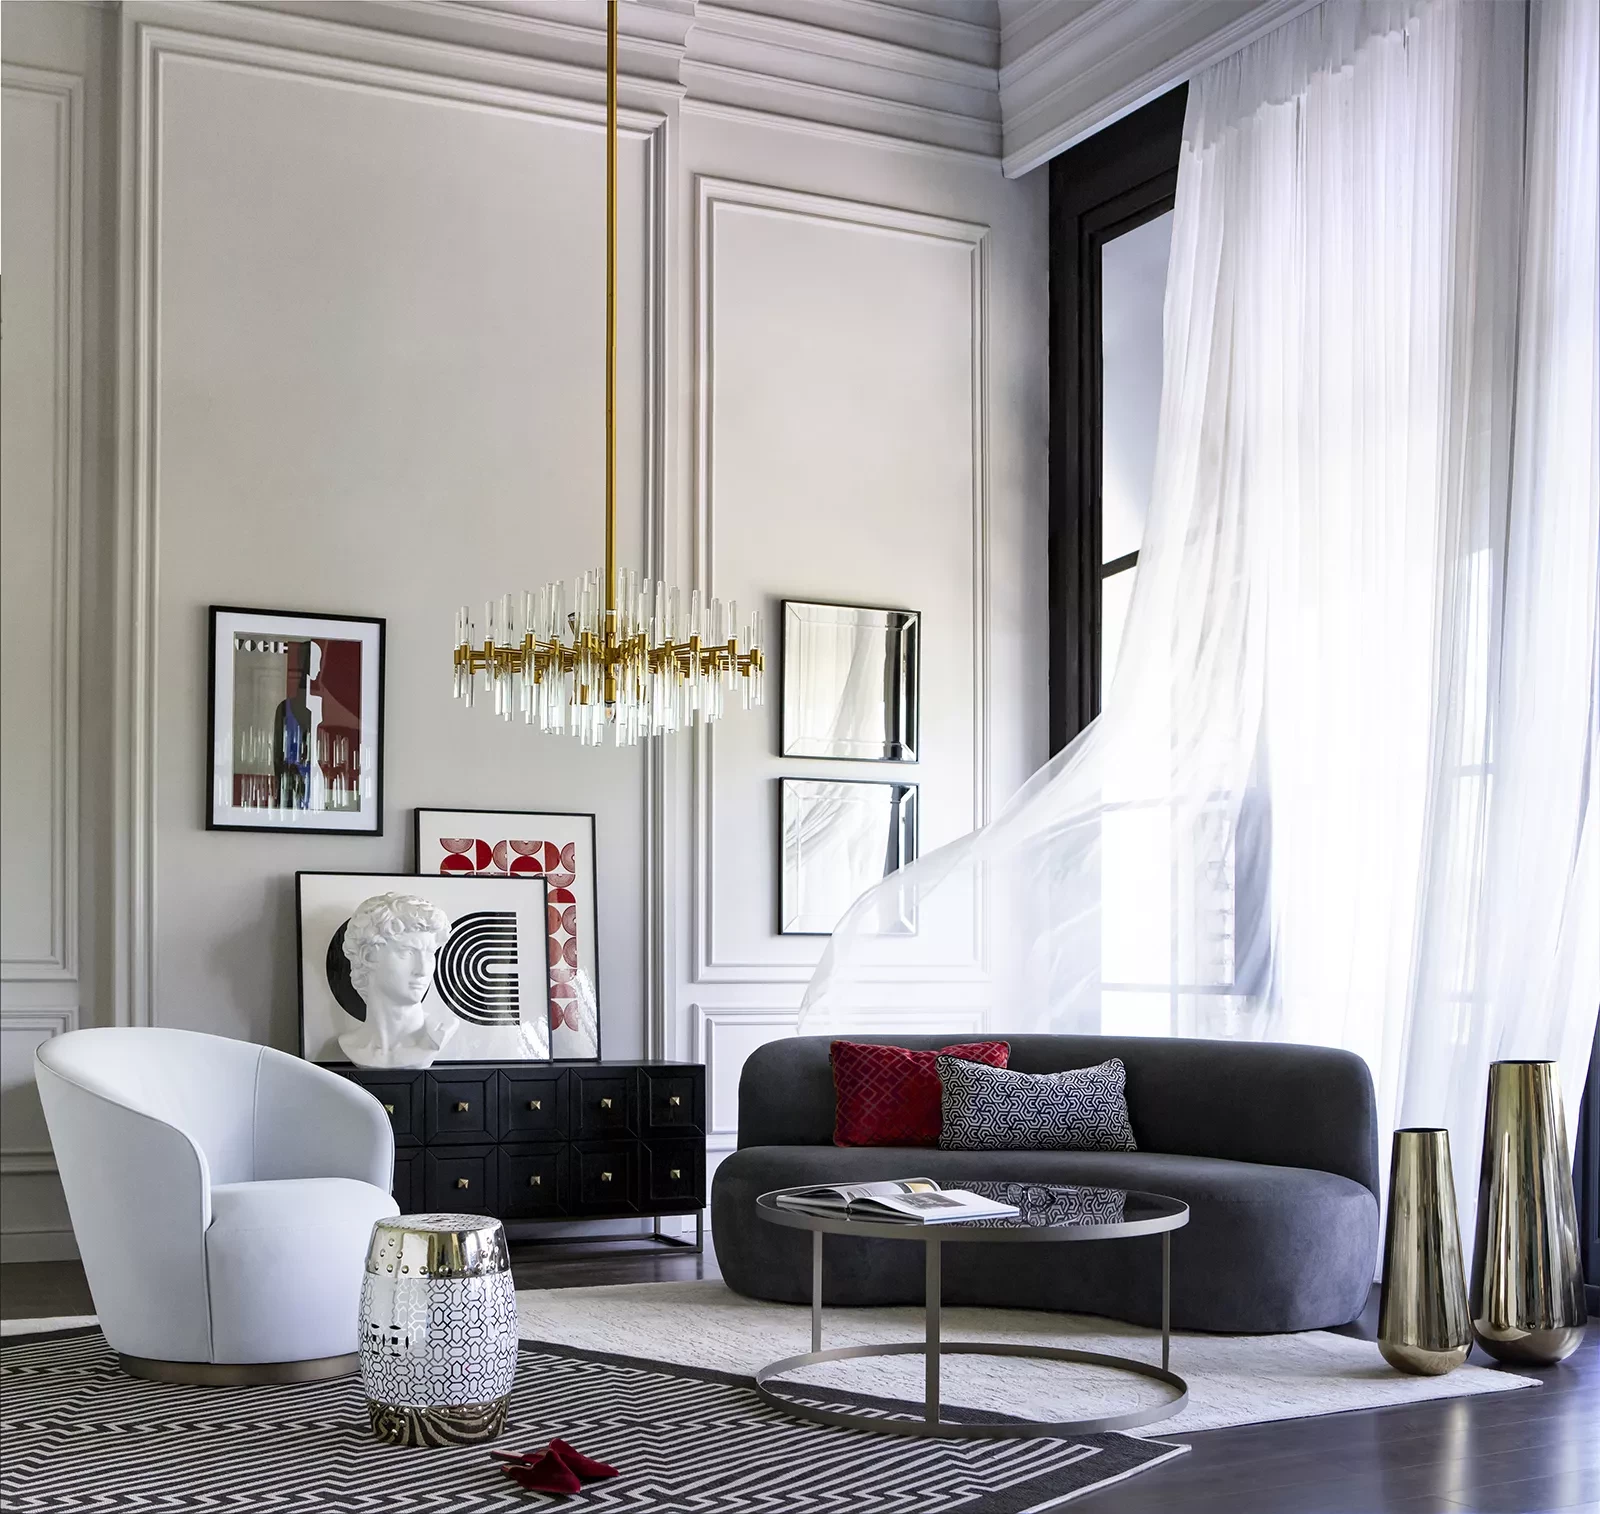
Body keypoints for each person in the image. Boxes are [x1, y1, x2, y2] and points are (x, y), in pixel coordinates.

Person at [339, 893, 455, 1068]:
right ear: (368, 956)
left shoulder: (439, 1034)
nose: (422, 970)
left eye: (430, 954)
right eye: (408, 952)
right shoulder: (350, 1044)